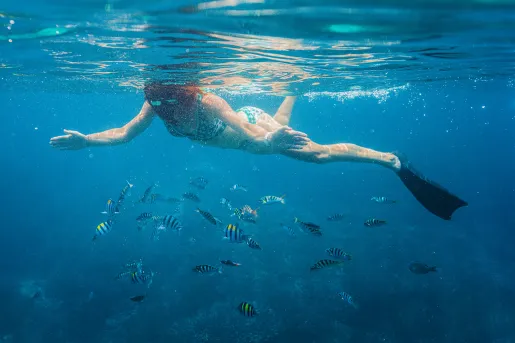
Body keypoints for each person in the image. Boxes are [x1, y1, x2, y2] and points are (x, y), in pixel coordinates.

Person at [50, 81, 467, 220]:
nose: (156, 106)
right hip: (248, 143)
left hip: (248, 128)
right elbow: (125, 132)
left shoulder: (206, 101)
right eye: (151, 97)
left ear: (181, 92)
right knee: (282, 135)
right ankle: (290, 88)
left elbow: (246, 128)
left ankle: (392, 161)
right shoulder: (155, 105)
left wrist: (267, 142)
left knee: (313, 154)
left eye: (162, 98)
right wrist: (86, 139)